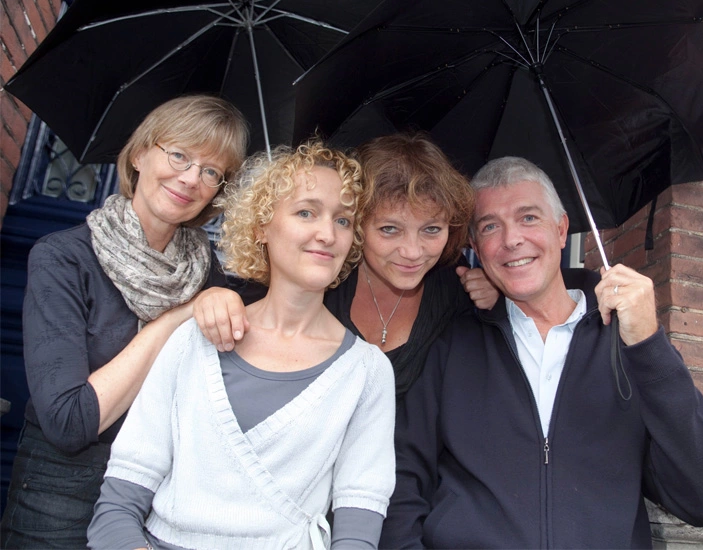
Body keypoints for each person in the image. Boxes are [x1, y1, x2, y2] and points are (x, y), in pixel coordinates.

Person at [380, 156, 703, 549]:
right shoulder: (451, 343)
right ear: (476, 248)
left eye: (528, 217)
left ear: (562, 229)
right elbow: (402, 481)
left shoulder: (626, 345)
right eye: (490, 226)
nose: (511, 239)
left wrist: (649, 345)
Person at [87, 141, 396, 550]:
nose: (327, 234)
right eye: (306, 212)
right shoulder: (193, 341)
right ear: (261, 226)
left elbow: (358, 529)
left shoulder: (365, 372)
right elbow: (117, 508)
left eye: (343, 220)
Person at [0, 95, 249, 549]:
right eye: (179, 155)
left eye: (212, 172)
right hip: (58, 497)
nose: (191, 178)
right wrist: (174, 319)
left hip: (160, 495)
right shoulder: (64, 258)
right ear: (139, 154)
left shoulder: (209, 278)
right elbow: (69, 421)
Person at [195, 132, 498, 400]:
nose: (412, 252)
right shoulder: (321, 274)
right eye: (389, 229)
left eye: (431, 230)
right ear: (356, 225)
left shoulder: (458, 289)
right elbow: (257, 304)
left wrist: (499, 299)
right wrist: (214, 299)